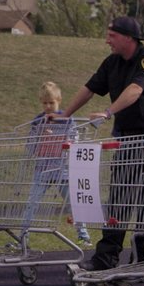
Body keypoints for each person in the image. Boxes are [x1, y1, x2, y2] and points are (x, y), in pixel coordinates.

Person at [60, 16, 144, 270]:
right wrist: (63, 115)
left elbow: (135, 90)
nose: (106, 40)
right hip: (126, 140)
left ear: (128, 38)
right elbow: (89, 88)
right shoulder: (112, 63)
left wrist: (108, 112)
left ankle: (143, 259)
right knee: (119, 199)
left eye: (111, 36)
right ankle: (106, 257)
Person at [19, 81, 92, 248]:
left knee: (73, 202)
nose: (48, 106)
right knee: (32, 203)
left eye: (51, 102)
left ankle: (83, 235)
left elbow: (74, 140)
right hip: (42, 170)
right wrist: (39, 134)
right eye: (44, 103)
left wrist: (63, 139)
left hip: (62, 169)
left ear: (58, 100)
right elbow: (30, 146)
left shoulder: (66, 119)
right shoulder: (38, 121)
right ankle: (23, 236)